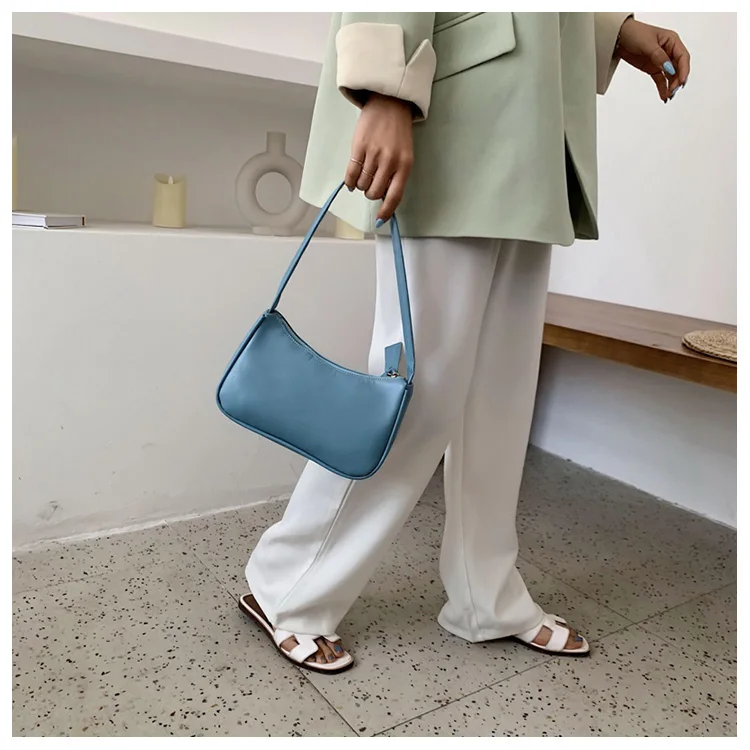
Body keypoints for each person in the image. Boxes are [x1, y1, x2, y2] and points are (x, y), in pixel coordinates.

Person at [238, 12, 691, 673]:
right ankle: (287, 581)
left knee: (500, 394)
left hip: (533, 118)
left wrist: (609, 30)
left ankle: (487, 595)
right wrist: (384, 87)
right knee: (414, 391)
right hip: (452, 98)